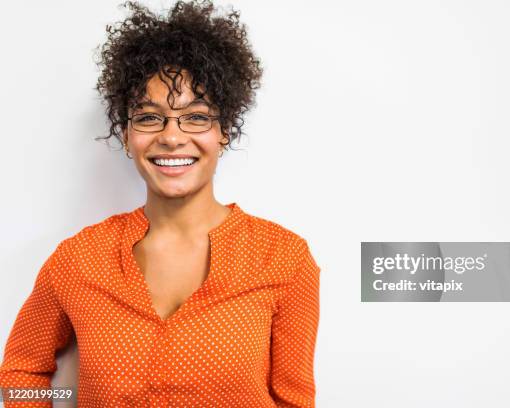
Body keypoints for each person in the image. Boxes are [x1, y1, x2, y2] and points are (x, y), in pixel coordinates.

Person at [0, 1, 321, 407]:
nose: (171, 137)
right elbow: (22, 369)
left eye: (196, 116)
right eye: (149, 117)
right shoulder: (78, 260)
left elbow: (295, 401)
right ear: (126, 133)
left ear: (224, 131)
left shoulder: (284, 259)